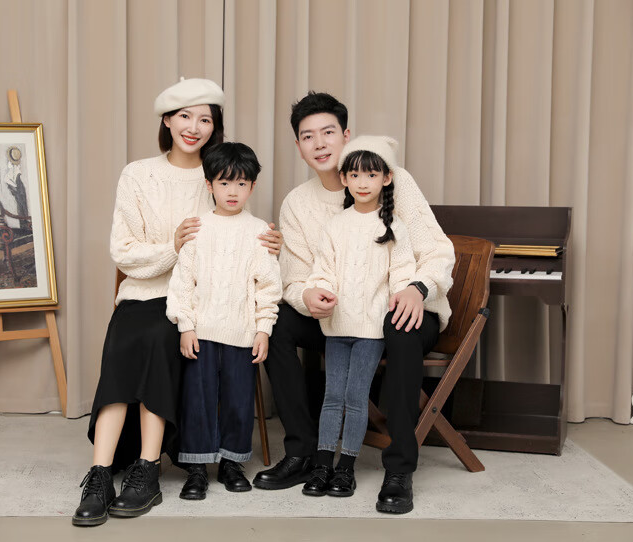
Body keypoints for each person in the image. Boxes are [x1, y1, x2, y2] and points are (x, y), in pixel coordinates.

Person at [73, 78, 282, 526]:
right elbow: (123, 252)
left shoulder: (220, 171)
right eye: (184, 116)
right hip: (143, 292)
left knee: (157, 336)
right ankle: (99, 473)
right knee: (127, 337)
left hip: (203, 303)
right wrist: (173, 247)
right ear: (166, 120)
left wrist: (270, 245)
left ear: (215, 126)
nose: (194, 127)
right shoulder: (138, 174)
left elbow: (238, 234)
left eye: (205, 119)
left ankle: (147, 468)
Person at [253, 92, 454, 516]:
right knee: (276, 322)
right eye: (308, 136)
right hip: (338, 316)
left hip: (401, 305)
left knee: (400, 328)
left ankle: (399, 468)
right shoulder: (297, 204)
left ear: (346, 135)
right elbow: (294, 278)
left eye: (328, 132)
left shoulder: (393, 179)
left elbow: (437, 250)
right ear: (298, 146)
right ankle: (304, 452)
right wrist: (307, 296)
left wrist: (418, 288)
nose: (320, 143)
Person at [166, 142, 282, 501]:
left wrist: (263, 329)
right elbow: (182, 282)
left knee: (238, 399)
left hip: (242, 334)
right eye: (224, 182)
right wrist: (185, 325)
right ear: (209, 184)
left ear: (253, 186)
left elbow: (268, 286)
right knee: (197, 399)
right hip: (201, 333)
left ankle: (232, 463)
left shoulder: (259, 231)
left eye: (242, 183)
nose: (233, 191)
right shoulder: (197, 229)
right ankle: (197, 468)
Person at [301, 136, 415, 499]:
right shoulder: (336, 225)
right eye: (354, 175)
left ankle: (345, 469)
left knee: (355, 395)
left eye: (371, 174)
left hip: (371, 329)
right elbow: (323, 270)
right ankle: (323, 465)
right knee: (332, 395)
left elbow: (402, 274)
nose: (362, 182)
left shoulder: (394, 226)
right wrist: (320, 290)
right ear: (344, 179)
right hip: (336, 326)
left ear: (386, 178)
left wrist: (400, 295)